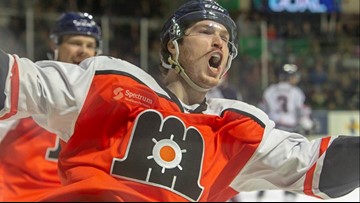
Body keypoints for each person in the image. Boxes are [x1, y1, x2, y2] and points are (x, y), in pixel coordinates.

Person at [0, 0, 358, 201]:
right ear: (172, 46)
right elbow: (18, 80)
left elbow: (314, 164)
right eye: (205, 32)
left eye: (226, 40)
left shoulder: (236, 127)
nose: (220, 44)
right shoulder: (110, 82)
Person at [0, 11, 102, 201]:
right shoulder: (30, 87)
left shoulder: (101, 101)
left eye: (90, 45)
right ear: (55, 45)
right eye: (75, 43)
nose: (84, 51)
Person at [257, 64, 315, 202]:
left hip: (273, 131)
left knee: (268, 161)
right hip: (290, 131)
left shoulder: (270, 91)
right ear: (289, 77)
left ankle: (261, 187)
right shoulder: (296, 92)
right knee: (291, 163)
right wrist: (308, 124)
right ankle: (289, 192)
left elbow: (261, 110)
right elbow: (302, 112)